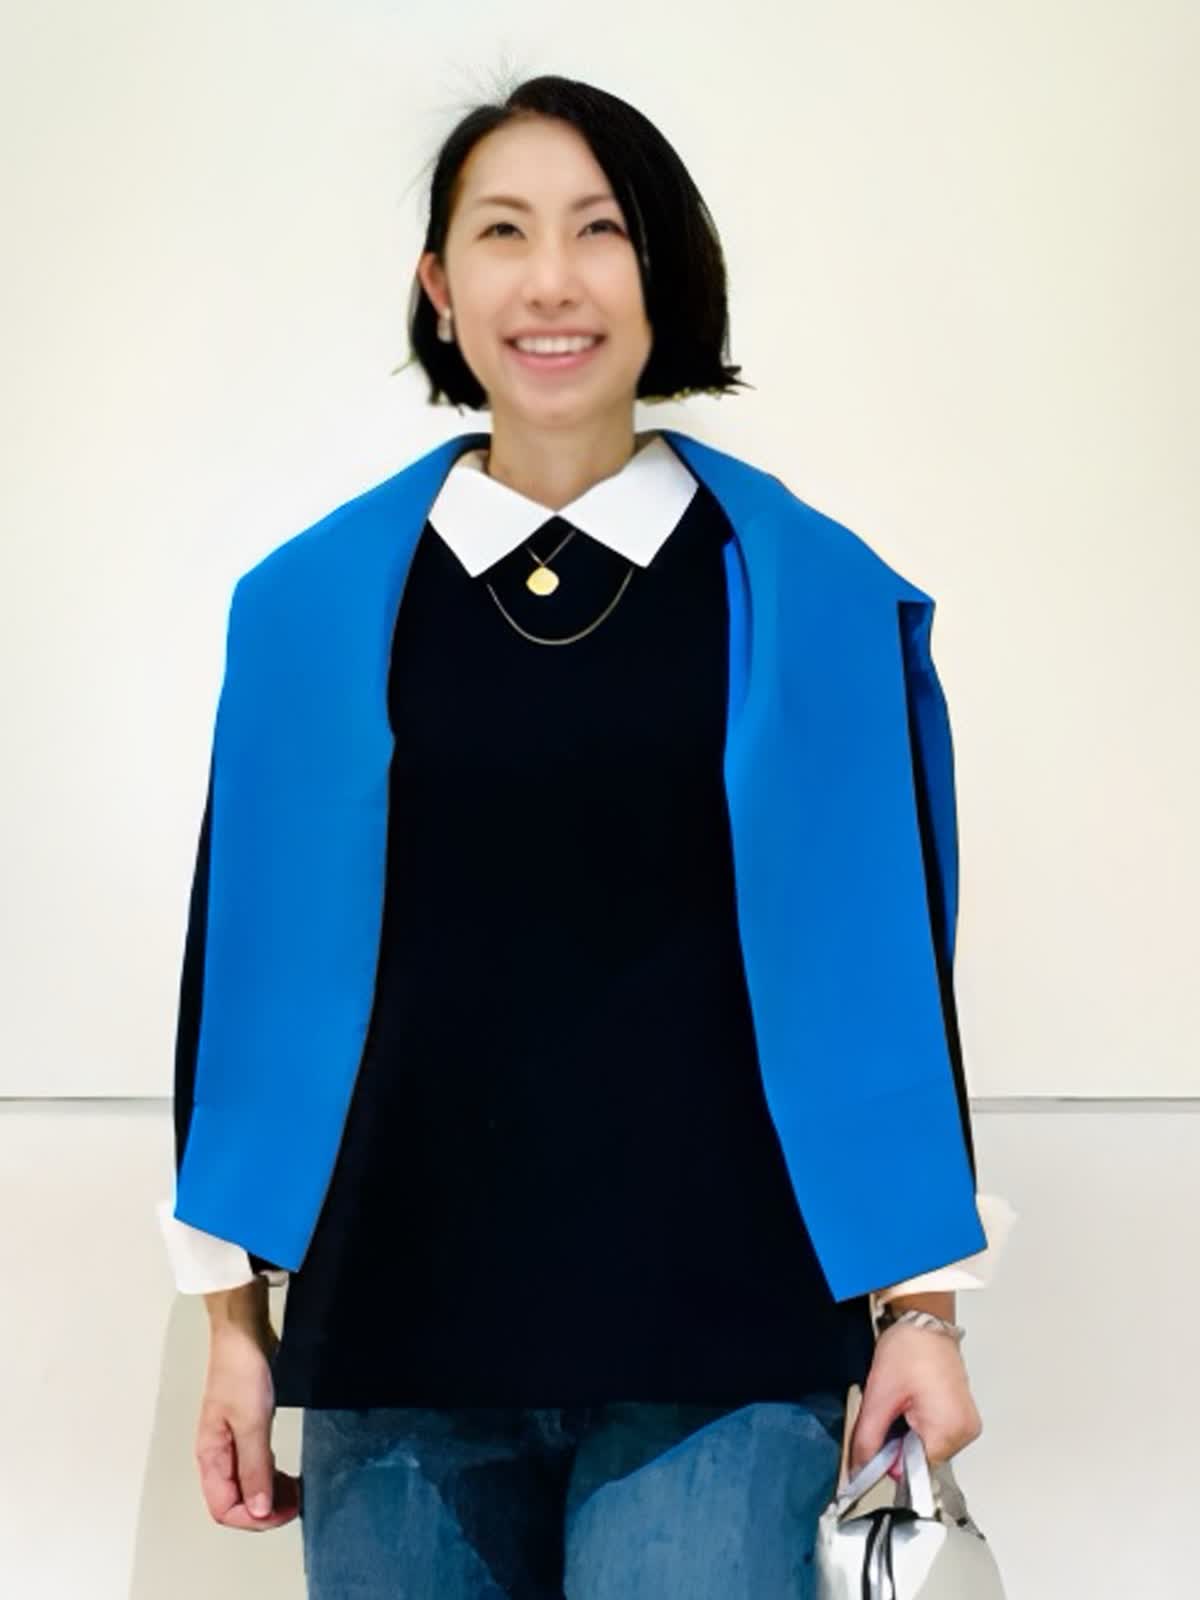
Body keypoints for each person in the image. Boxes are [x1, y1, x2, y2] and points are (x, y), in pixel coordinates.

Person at [158, 73, 1013, 1599]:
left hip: (727, 1345)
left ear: (665, 270)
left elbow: (885, 965)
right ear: (440, 285)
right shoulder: (310, 610)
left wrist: (922, 1314)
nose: (550, 280)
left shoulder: (809, 596)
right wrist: (234, 1328)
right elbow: (244, 978)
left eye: (599, 230)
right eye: (503, 232)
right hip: (397, 1343)